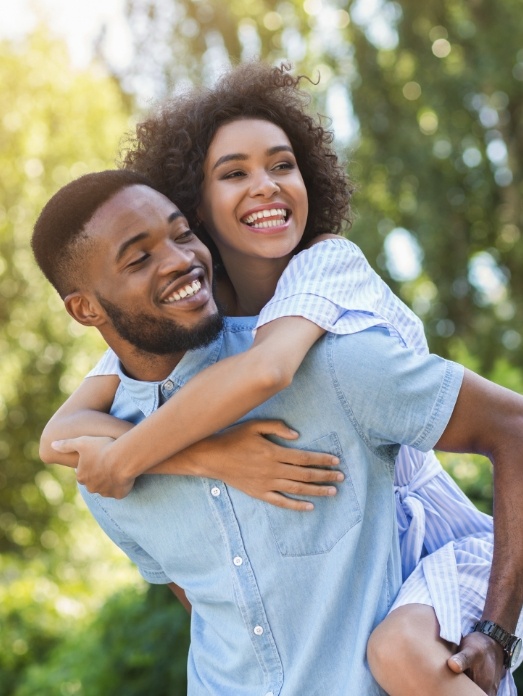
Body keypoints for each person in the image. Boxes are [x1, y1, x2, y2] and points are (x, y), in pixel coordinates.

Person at [35, 64, 523, 695]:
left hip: (429, 540)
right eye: (233, 173)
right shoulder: (178, 327)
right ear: (195, 201)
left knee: (399, 651)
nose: (264, 187)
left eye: (282, 165)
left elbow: (268, 370)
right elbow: (63, 435)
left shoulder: (324, 279)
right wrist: (205, 457)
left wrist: (497, 626)